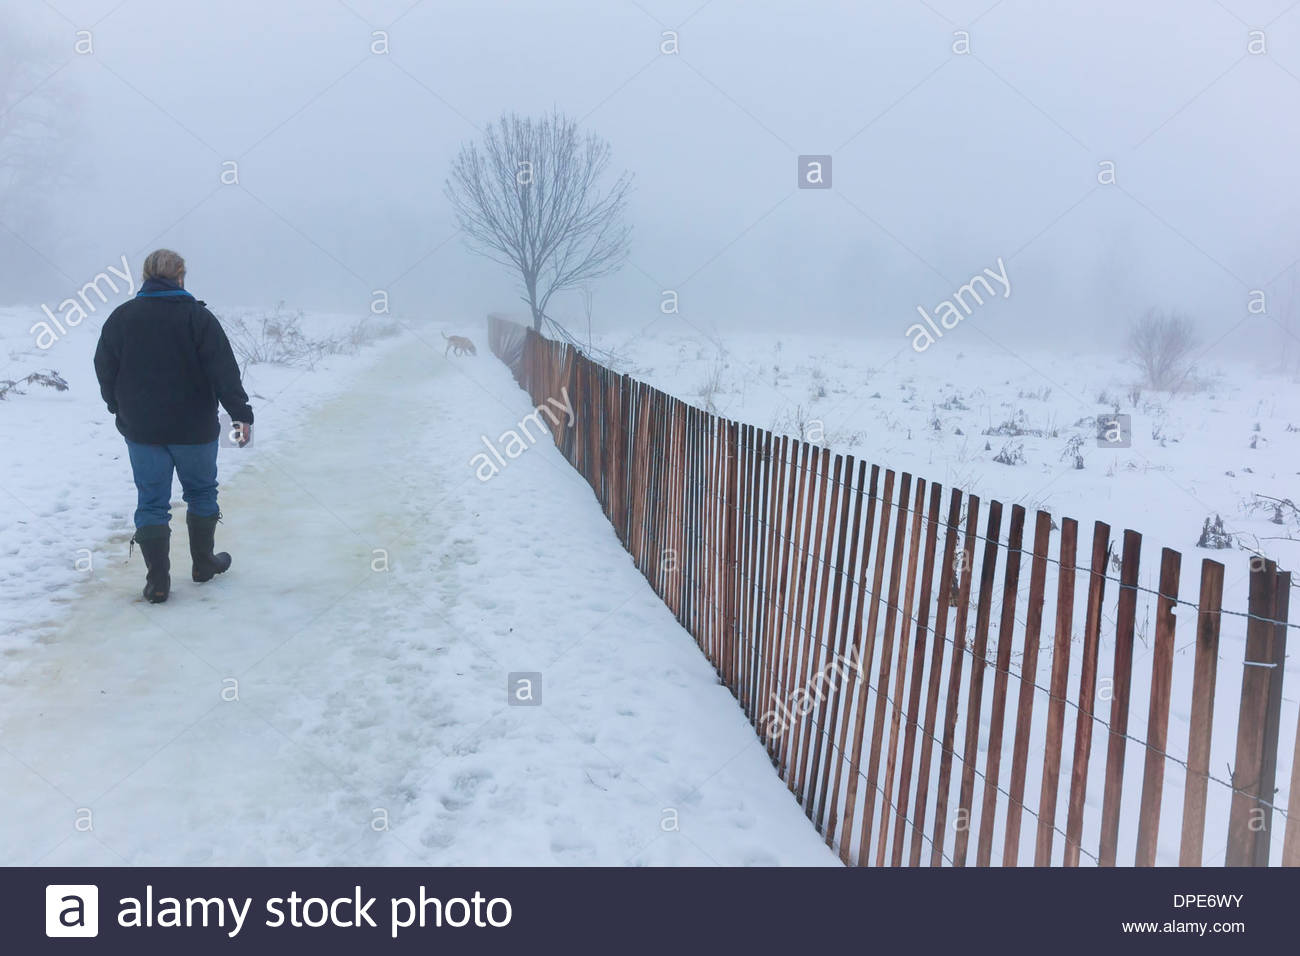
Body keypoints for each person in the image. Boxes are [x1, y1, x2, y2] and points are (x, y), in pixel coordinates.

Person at [93, 250, 253, 604]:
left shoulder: (122, 318)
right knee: (201, 492)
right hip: (194, 428)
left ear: (146, 276)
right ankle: (203, 564)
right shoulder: (198, 318)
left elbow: (104, 367)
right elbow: (224, 371)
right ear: (181, 276)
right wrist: (241, 414)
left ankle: (158, 583)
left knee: (151, 502)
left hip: (142, 430)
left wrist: (118, 408)